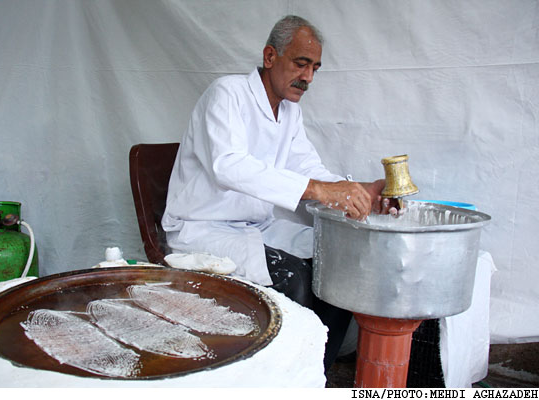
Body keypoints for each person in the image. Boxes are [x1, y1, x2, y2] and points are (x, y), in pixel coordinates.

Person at [162, 15, 394, 371]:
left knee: (339, 264)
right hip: (202, 229)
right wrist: (318, 190)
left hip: (256, 228)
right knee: (296, 278)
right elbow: (228, 165)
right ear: (270, 56)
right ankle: (278, 376)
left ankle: (314, 373)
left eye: (315, 68)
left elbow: (309, 169)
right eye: (301, 63)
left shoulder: (289, 112)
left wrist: (357, 192)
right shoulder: (228, 94)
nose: (308, 77)